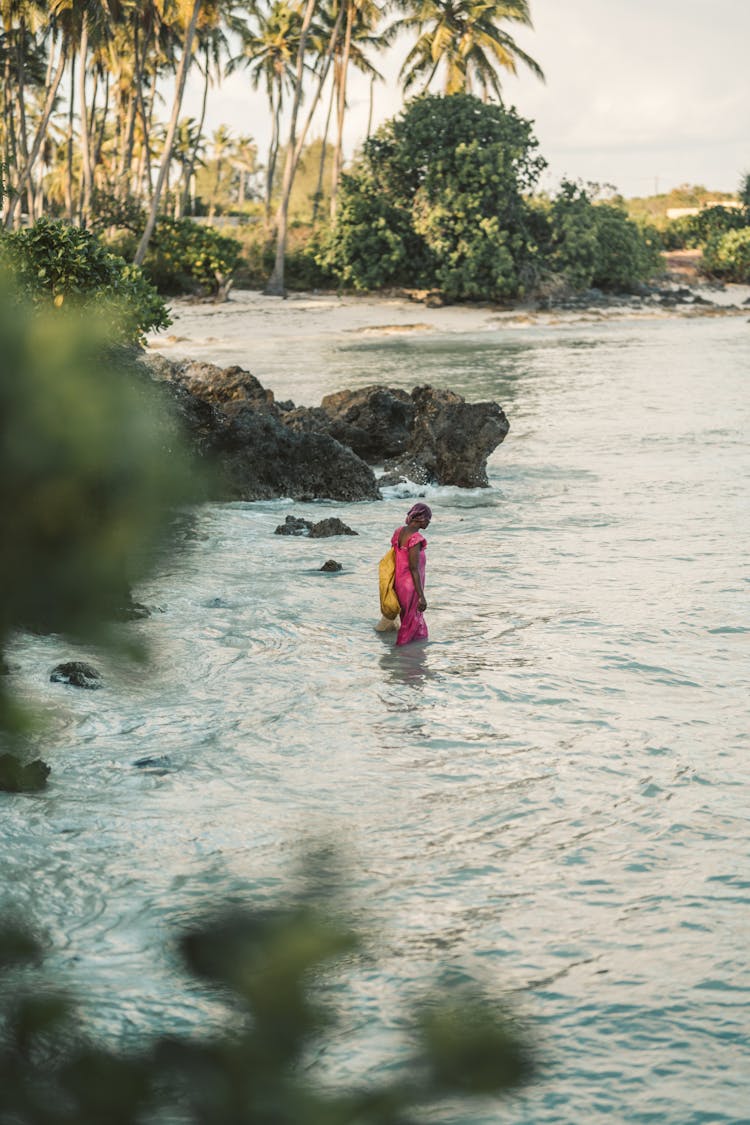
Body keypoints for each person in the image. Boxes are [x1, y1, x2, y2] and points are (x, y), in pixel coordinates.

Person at [391, 503, 431, 645]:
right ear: (421, 518)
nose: (429, 522)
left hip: (400, 583)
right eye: (428, 519)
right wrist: (421, 596)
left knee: (409, 619)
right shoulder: (416, 539)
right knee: (410, 622)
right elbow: (414, 568)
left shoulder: (399, 532)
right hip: (411, 586)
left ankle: (414, 653)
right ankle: (401, 653)